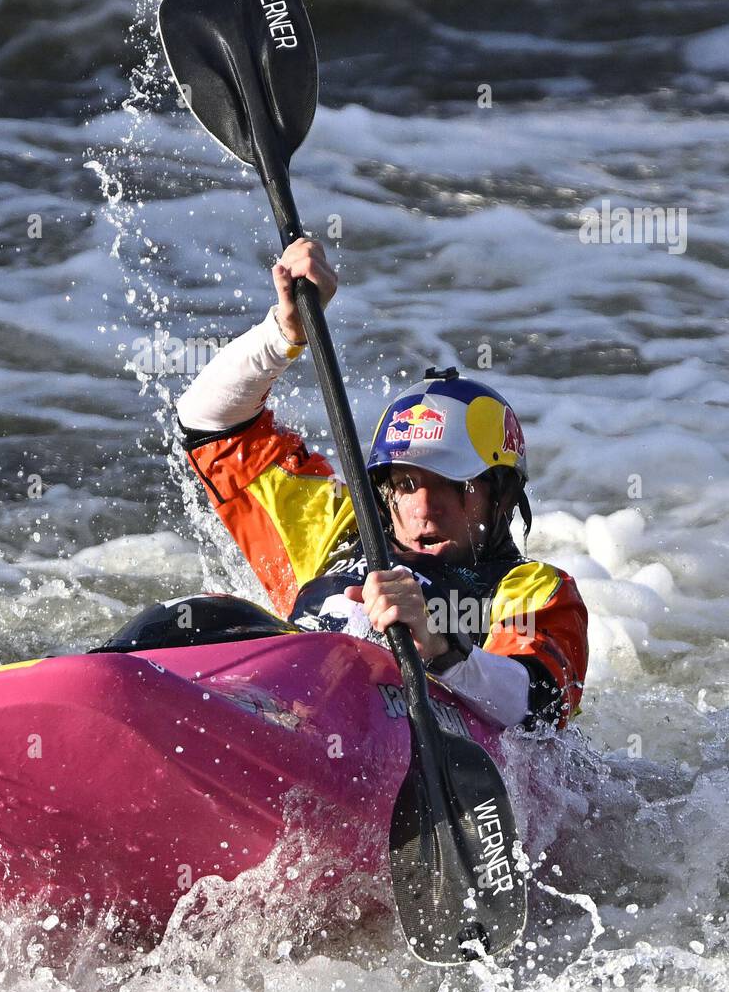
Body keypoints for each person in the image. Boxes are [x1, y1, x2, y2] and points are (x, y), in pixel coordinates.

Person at [176, 237, 588, 731]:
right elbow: (209, 424)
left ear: (501, 498)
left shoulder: (530, 589)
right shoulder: (336, 530)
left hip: (399, 741)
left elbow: (538, 706)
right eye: (407, 482)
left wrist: (440, 649)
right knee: (200, 616)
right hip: (280, 715)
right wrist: (283, 333)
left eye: (456, 487)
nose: (424, 510)